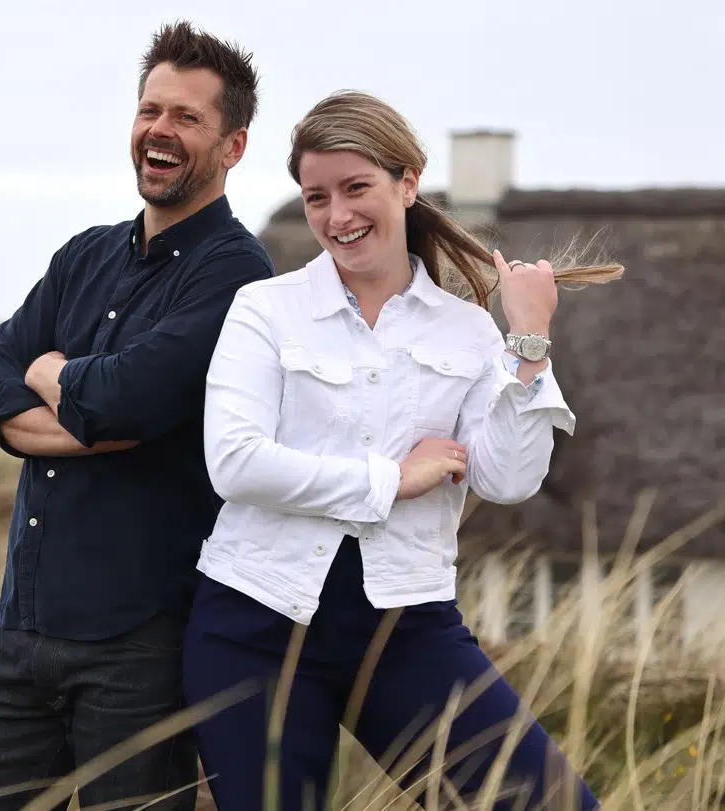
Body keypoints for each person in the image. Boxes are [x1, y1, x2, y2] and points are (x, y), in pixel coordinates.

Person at [182, 90, 622, 811]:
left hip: (408, 628)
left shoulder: (467, 331)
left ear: (408, 183)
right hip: (254, 628)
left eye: (356, 188)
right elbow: (235, 462)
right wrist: (392, 478)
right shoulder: (265, 310)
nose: (337, 215)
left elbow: (508, 478)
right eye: (317, 196)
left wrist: (530, 342)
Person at [0, 21, 275, 811]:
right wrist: (95, 411)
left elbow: (127, 400)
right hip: (20, 631)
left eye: (188, 117)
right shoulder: (82, 256)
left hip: (139, 646)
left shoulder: (238, 274)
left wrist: (52, 373)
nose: (160, 130)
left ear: (233, 146)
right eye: (150, 110)